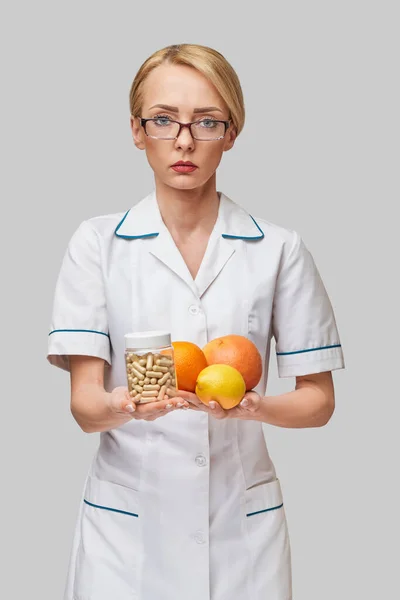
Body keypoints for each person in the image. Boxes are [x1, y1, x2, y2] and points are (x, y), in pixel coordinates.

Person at [47, 43, 345, 600]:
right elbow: (85, 406)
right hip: (127, 534)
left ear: (232, 133)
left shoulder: (278, 248)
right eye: (163, 120)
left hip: (241, 532)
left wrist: (257, 406)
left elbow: (319, 401)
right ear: (137, 131)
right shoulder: (97, 244)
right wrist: (123, 405)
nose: (184, 140)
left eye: (207, 122)